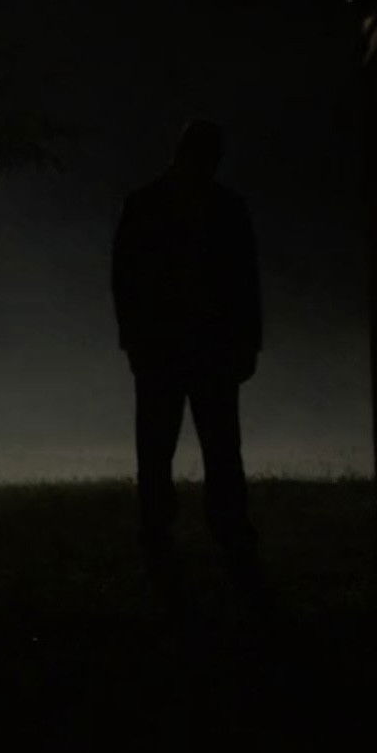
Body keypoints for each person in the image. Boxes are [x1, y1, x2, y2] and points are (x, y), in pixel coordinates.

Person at [111, 118, 263, 599]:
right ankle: (227, 529)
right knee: (219, 445)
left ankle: (158, 529)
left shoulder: (145, 204)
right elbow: (245, 284)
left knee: (159, 446)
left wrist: (133, 340)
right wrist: (248, 343)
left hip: (163, 348)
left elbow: (125, 280)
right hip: (208, 348)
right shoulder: (227, 208)